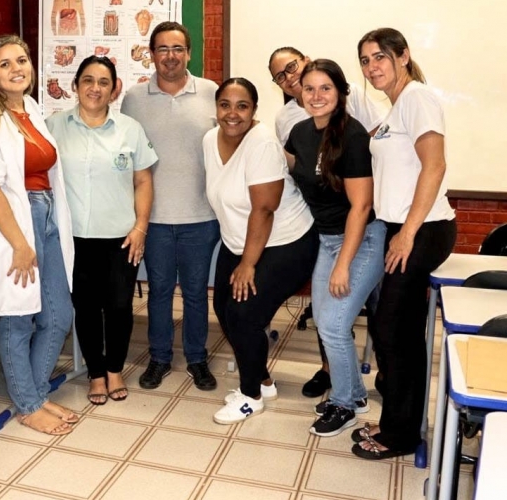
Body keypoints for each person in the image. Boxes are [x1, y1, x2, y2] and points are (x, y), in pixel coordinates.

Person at [0, 34, 78, 436]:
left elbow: (47, 170)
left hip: (45, 215)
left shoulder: (30, 108)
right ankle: (28, 404)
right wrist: (19, 244)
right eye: (6, 63)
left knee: (59, 314)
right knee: (19, 319)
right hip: (13, 223)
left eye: (22, 60)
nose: (17, 69)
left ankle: (36, 392)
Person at [351, 28, 456, 460]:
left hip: (423, 229)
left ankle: (401, 434)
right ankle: (398, 419)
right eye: (365, 60)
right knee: (391, 329)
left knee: (396, 333)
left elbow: (435, 166)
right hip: (402, 228)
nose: (372, 66)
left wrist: (408, 234)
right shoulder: (395, 106)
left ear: (403, 56)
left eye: (379, 57)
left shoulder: (418, 98)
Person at [268, 46, 384, 399]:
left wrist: (343, 265)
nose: (316, 96)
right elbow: (284, 169)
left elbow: (361, 207)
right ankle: (353, 397)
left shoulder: (352, 136)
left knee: (333, 326)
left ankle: (346, 400)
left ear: (340, 92)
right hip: (325, 238)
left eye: (325, 88)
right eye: (309, 89)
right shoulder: (300, 132)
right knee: (326, 324)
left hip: (361, 238)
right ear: (299, 94)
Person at [204, 78, 317, 424]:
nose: (232, 113)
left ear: (254, 110)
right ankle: (263, 380)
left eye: (242, 106)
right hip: (238, 240)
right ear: (216, 107)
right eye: (225, 104)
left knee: (244, 314)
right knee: (224, 308)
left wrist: (248, 264)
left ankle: (251, 396)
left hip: (287, 241)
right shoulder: (210, 139)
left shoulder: (263, 143)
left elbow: (264, 209)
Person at [46, 55, 156, 405]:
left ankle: (115, 369)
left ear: (114, 89)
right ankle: (95, 373)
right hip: (73, 237)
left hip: (121, 236)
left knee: (120, 306)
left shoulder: (129, 129)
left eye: (104, 82)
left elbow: (143, 180)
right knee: (87, 307)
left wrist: (141, 226)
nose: (95, 88)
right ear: (75, 86)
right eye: (88, 80)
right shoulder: (53, 126)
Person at [121, 21, 220, 391]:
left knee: (196, 292)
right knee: (160, 291)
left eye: (177, 48)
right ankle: (159, 358)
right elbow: (126, 154)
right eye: (162, 49)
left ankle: (197, 358)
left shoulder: (212, 92)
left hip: (201, 216)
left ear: (189, 53)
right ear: (151, 54)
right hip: (154, 218)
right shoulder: (133, 98)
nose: (170, 56)